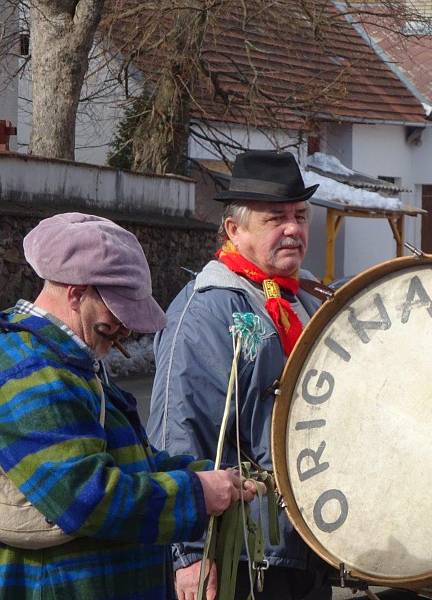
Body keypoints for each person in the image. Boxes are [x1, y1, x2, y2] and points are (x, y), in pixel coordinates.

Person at [0, 213, 255, 600]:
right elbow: (85, 497)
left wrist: (211, 474)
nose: (126, 328)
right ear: (75, 292)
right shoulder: (30, 368)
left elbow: (133, 464)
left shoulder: (72, 361)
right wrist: (194, 494)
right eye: (117, 312)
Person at [148, 150, 330, 600]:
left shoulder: (304, 299)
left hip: (306, 542)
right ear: (235, 229)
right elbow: (177, 434)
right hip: (244, 551)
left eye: (300, 215)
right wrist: (189, 555)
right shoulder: (206, 310)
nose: (293, 229)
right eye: (275, 219)